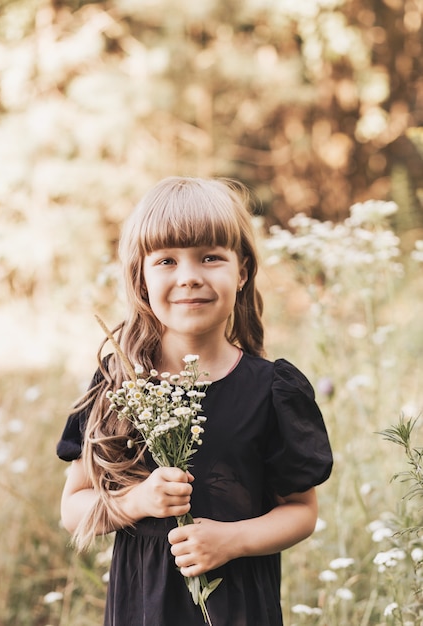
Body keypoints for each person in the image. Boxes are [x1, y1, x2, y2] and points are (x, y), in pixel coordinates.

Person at [57, 176, 333, 626]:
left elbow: (301, 511)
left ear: (242, 271)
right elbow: (74, 508)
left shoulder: (272, 389)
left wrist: (234, 540)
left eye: (210, 258)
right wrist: (137, 501)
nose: (189, 277)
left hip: (240, 610)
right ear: (140, 278)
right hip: (141, 610)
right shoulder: (120, 384)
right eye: (166, 260)